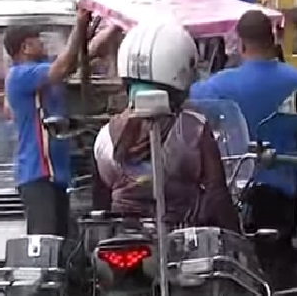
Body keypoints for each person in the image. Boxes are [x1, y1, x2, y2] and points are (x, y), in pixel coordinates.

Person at [189, 9, 297, 288]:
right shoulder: (296, 80)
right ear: (273, 38)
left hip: (237, 185)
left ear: (240, 44)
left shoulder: (219, 85)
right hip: (286, 187)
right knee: (280, 259)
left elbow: (187, 98)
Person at [93, 18, 240, 231]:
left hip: (123, 238)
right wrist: (237, 236)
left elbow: (100, 201)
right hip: (180, 239)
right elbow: (216, 195)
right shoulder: (194, 129)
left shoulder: (105, 135)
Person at [4, 12, 120, 236]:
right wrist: (79, 24)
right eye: (38, 40)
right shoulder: (20, 76)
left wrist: (113, 27)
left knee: (65, 241)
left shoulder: (43, 69)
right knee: (46, 241)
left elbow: (85, 53)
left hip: (55, 173)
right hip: (37, 173)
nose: (43, 43)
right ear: (26, 47)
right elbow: (64, 65)